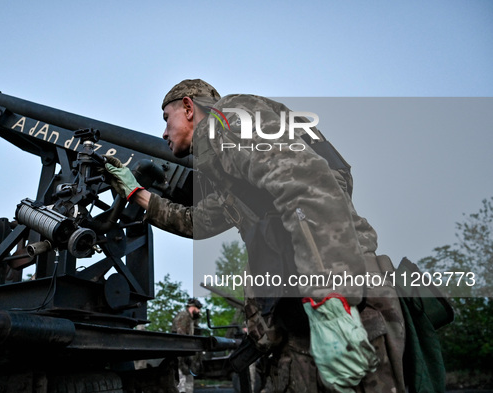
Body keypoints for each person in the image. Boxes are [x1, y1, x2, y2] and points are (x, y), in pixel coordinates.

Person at [105, 80, 407, 392]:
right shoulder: (229, 175)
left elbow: (305, 187)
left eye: (166, 119)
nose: (164, 133)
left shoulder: (228, 121)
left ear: (188, 107)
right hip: (299, 315)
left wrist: (331, 301)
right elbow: (196, 222)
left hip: (339, 306)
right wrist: (136, 193)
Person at [171, 298, 203, 393]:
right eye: (198, 309)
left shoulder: (190, 318)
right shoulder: (184, 316)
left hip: (185, 354)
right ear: (192, 307)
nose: (199, 311)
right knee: (182, 384)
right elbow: (181, 336)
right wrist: (186, 354)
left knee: (188, 382)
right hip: (180, 354)